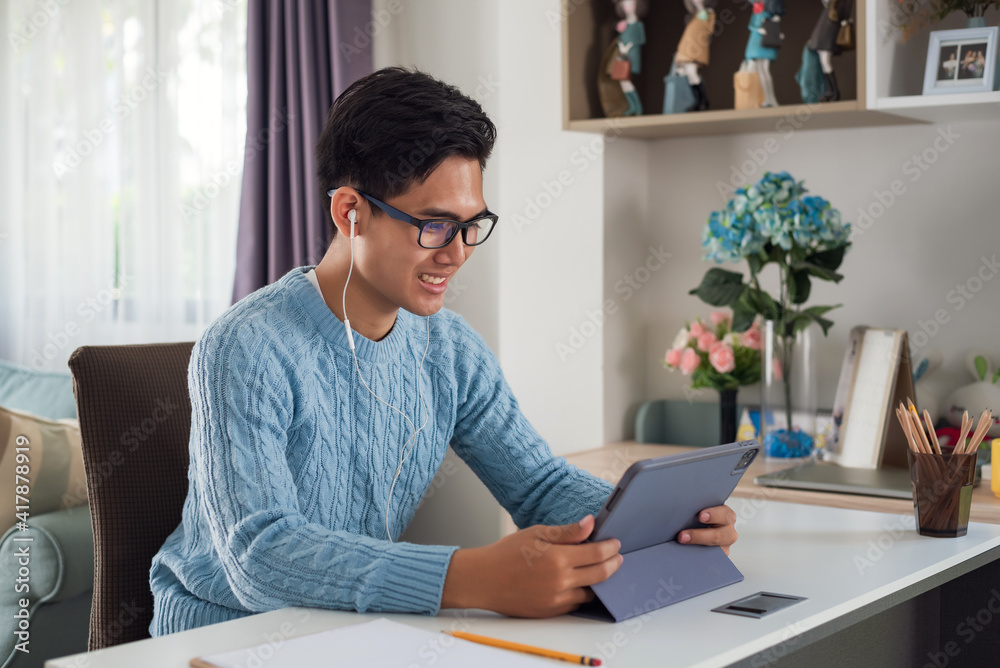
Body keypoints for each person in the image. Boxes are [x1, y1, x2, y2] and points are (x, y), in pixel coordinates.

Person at [147, 67, 739, 635]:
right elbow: (260, 554)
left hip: (350, 632)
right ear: (350, 212)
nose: (456, 254)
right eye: (433, 225)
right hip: (221, 637)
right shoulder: (247, 347)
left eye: (470, 225)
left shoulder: (449, 348)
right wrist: (469, 576)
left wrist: (661, 521)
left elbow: (535, 486)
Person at [807, 0, 855, 102]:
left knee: (825, 62)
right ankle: (831, 91)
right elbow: (826, 5)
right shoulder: (829, 5)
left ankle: (835, 92)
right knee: (823, 62)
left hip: (831, 28)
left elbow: (846, 9)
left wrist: (846, 20)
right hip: (825, 27)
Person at [676, 0, 719, 111]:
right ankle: (698, 101)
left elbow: (709, 30)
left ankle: (703, 101)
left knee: (692, 72)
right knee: (690, 75)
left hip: (697, 47)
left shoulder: (709, 12)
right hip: (687, 47)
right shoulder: (692, 16)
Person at [744, 0, 786, 108]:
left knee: (765, 71)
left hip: (767, 41)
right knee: (759, 71)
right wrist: (759, 29)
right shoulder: (757, 11)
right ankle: (766, 99)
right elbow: (751, 25)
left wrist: (776, 33)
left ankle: (770, 98)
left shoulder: (772, 13)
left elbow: (774, 25)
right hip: (756, 41)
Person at [611, 0, 647, 116]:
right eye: (625, 5)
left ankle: (638, 107)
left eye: (631, 4)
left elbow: (641, 39)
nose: (628, 7)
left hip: (632, 56)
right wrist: (621, 46)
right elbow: (621, 38)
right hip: (622, 55)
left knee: (626, 80)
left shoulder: (638, 24)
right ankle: (632, 106)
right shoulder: (624, 24)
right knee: (623, 81)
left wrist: (628, 47)